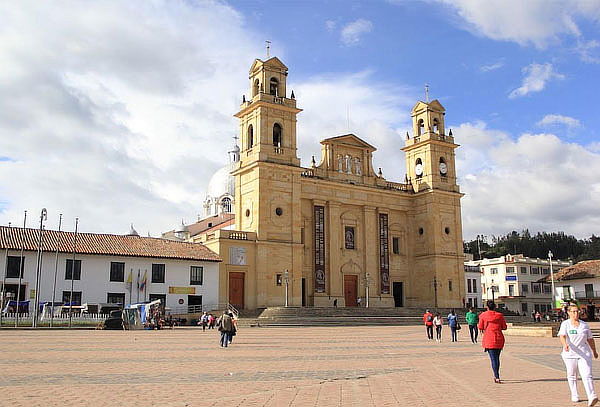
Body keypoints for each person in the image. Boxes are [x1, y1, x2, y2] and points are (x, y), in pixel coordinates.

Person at [559, 304, 599, 406]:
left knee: (587, 375)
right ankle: (574, 393)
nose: (576, 313)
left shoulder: (584, 325)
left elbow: (590, 339)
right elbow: (562, 336)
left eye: (577, 311)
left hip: (584, 353)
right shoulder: (565, 324)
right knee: (572, 374)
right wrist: (565, 345)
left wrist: (594, 351)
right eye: (573, 311)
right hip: (570, 354)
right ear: (568, 313)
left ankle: (592, 396)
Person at [478, 300, 507, 383]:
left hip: (489, 339)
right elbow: (504, 327)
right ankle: (497, 375)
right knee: (497, 358)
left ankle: (496, 376)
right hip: (499, 338)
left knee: (493, 359)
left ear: (487, 307)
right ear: (495, 307)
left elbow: (480, 326)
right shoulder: (499, 315)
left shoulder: (483, 315)